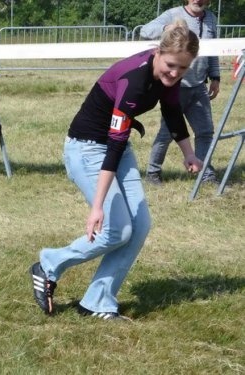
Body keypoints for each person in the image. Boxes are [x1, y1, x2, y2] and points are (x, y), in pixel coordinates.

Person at [29, 20, 203, 319]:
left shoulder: (167, 78)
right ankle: (49, 264)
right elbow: (114, 142)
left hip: (116, 148)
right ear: (158, 53)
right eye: (171, 65)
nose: (174, 74)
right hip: (88, 148)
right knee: (116, 229)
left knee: (139, 226)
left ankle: (97, 301)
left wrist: (189, 154)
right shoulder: (134, 80)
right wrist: (97, 206)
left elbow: (173, 113)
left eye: (183, 69)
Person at [141, 0, 220, 185]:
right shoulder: (173, 14)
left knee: (205, 132)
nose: (198, 0)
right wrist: (167, 28)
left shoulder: (211, 19)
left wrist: (215, 76)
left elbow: (214, 50)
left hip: (199, 86)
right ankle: (153, 173)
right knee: (167, 133)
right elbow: (144, 31)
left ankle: (205, 174)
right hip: (175, 87)